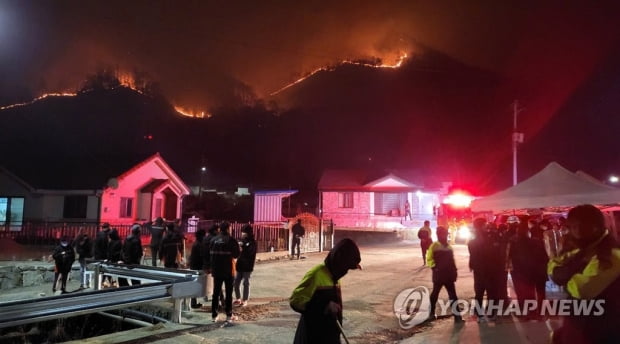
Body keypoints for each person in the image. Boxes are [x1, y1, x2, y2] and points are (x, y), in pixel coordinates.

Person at [548, 204, 620, 344]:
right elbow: (552, 265)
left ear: (598, 226)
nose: (578, 231)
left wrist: (563, 276)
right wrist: (563, 274)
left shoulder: (612, 254)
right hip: (578, 327)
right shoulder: (579, 249)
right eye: (573, 227)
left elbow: (582, 290)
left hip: (603, 330)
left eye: (583, 226)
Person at [290, 238, 362, 344]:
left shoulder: (335, 278)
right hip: (312, 338)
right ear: (339, 262)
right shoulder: (316, 274)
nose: (346, 271)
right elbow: (295, 301)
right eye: (346, 267)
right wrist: (324, 306)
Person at [508, 221, 549, 319]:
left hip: (525, 273)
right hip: (539, 271)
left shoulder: (515, 244)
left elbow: (511, 258)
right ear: (528, 232)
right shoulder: (537, 241)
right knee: (540, 292)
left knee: (526, 293)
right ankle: (541, 312)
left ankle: (528, 313)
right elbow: (545, 257)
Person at [426, 226, 463, 322]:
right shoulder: (434, 246)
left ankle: (457, 317)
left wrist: (454, 272)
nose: (444, 236)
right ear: (438, 235)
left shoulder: (449, 247)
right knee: (435, 294)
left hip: (449, 276)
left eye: (445, 234)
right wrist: (435, 268)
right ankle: (431, 313)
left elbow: (452, 261)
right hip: (439, 275)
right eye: (442, 234)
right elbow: (429, 259)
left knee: (453, 296)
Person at [207, 222, 240, 325]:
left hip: (216, 270)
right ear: (228, 229)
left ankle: (214, 315)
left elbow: (210, 254)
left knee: (216, 293)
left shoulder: (213, 240)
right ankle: (229, 315)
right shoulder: (231, 240)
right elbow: (236, 255)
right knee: (229, 294)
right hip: (228, 271)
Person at [468, 218, 497, 321]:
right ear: (481, 226)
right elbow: (492, 254)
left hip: (478, 269)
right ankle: (490, 313)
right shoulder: (488, 238)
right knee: (490, 291)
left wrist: (472, 264)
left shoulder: (472, 241)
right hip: (487, 269)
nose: (487, 226)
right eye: (485, 224)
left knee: (479, 292)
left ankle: (479, 313)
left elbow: (472, 255)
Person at [234, 224, 257, 307]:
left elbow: (250, 253)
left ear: (248, 233)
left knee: (246, 283)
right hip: (239, 265)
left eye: (244, 232)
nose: (242, 234)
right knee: (236, 282)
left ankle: (245, 299)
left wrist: (243, 247)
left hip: (248, 266)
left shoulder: (252, 242)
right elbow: (237, 251)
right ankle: (238, 298)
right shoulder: (241, 240)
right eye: (242, 232)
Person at [189, 228, 206, 309]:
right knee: (197, 284)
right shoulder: (199, 244)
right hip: (197, 267)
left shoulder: (197, 243)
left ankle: (193, 302)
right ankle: (193, 303)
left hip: (194, 266)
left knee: (195, 284)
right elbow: (202, 256)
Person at [202, 224, 219, 303]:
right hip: (212, 262)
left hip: (205, 261)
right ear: (215, 230)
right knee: (215, 280)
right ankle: (214, 295)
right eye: (218, 229)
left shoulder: (205, 238)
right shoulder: (214, 239)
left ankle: (205, 296)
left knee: (205, 279)